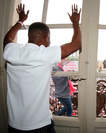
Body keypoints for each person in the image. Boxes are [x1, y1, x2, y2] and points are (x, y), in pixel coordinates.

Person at [3, 3, 81, 133]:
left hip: (14, 124)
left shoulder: (11, 51)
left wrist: (20, 21)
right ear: (46, 38)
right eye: (49, 39)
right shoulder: (45, 54)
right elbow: (77, 44)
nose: (49, 42)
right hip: (39, 125)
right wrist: (75, 23)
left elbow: (7, 39)